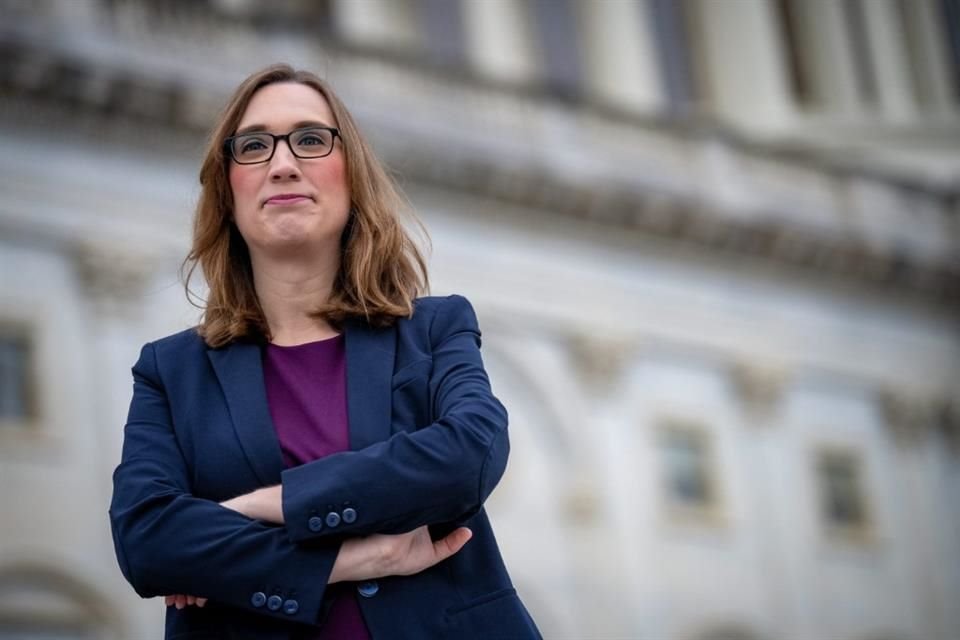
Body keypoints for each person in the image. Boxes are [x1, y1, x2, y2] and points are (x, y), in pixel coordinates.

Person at [108, 63, 542, 640]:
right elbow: (147, 541)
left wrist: (256, 508)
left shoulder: (435, 329)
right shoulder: (170, 371)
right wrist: (356, 561)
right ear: (227, 192)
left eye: (311, 140)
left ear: (352, 177)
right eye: (254, 146)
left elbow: (469, 455)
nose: (283, 164)